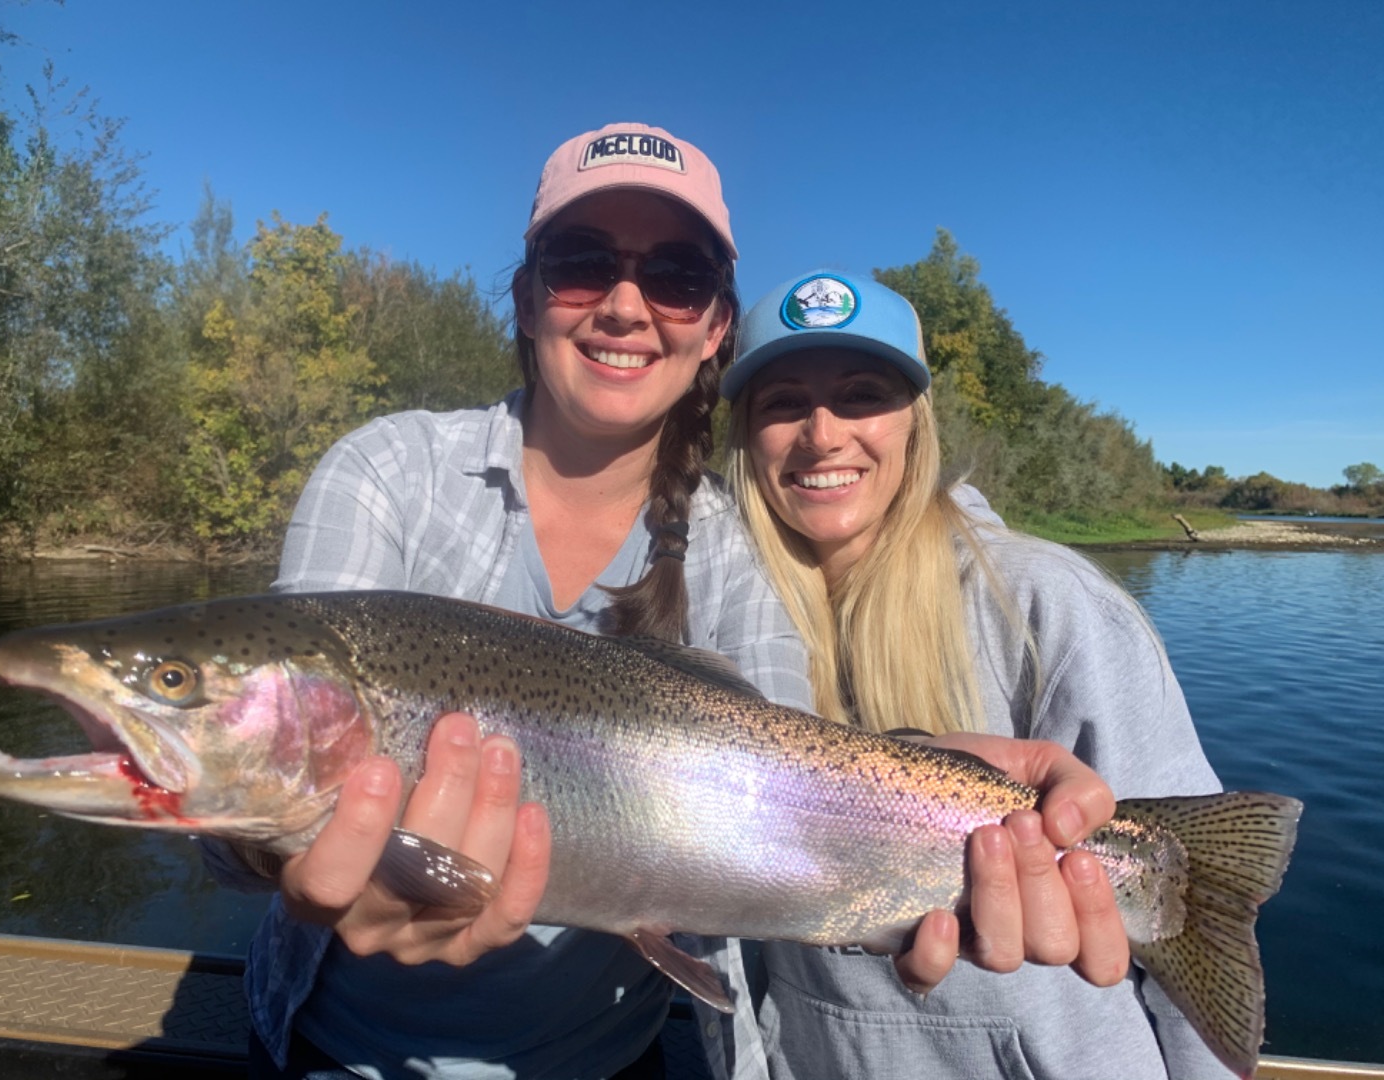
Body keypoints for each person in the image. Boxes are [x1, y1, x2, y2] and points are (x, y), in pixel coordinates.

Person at [206, 125, 1127, 1080]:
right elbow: (251, 800)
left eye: (676, 275)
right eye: (580, 263)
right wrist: (285, 863)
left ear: (715, 330)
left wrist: (934, 803)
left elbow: (787, 788)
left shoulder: (734, 541)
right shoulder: (386, 472)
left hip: (611, 1061)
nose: (623, 305)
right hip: (335, 1050)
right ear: (526, 300)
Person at [721, 270, 1235, 1079]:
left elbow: (1198, 902)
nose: (822, 434)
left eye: (861, 395)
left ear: (915, 426)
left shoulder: (1048, 603)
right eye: (782, 402)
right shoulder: (715, 623)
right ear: (746, 436)